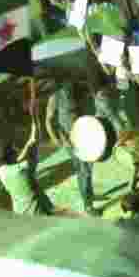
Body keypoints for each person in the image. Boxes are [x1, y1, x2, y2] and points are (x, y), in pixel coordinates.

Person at [46, 82, 97, 215]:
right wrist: (56, 139)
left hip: (85, 134)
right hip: (71, 140)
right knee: (84, 170)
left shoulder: (78, 89)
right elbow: (49, 120)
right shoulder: (55, 97)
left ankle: (88, 194)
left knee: (86, 168)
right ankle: (88, 205)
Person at [0, 126, 55, 216]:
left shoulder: (1, 172)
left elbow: (16, 161)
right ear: (11, 154)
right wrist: (34, 140)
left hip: (21, 213)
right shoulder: (24, 167)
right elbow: (33, 154)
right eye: (14, 149)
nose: (16, 150)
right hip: (39, 212)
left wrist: (28, 144)